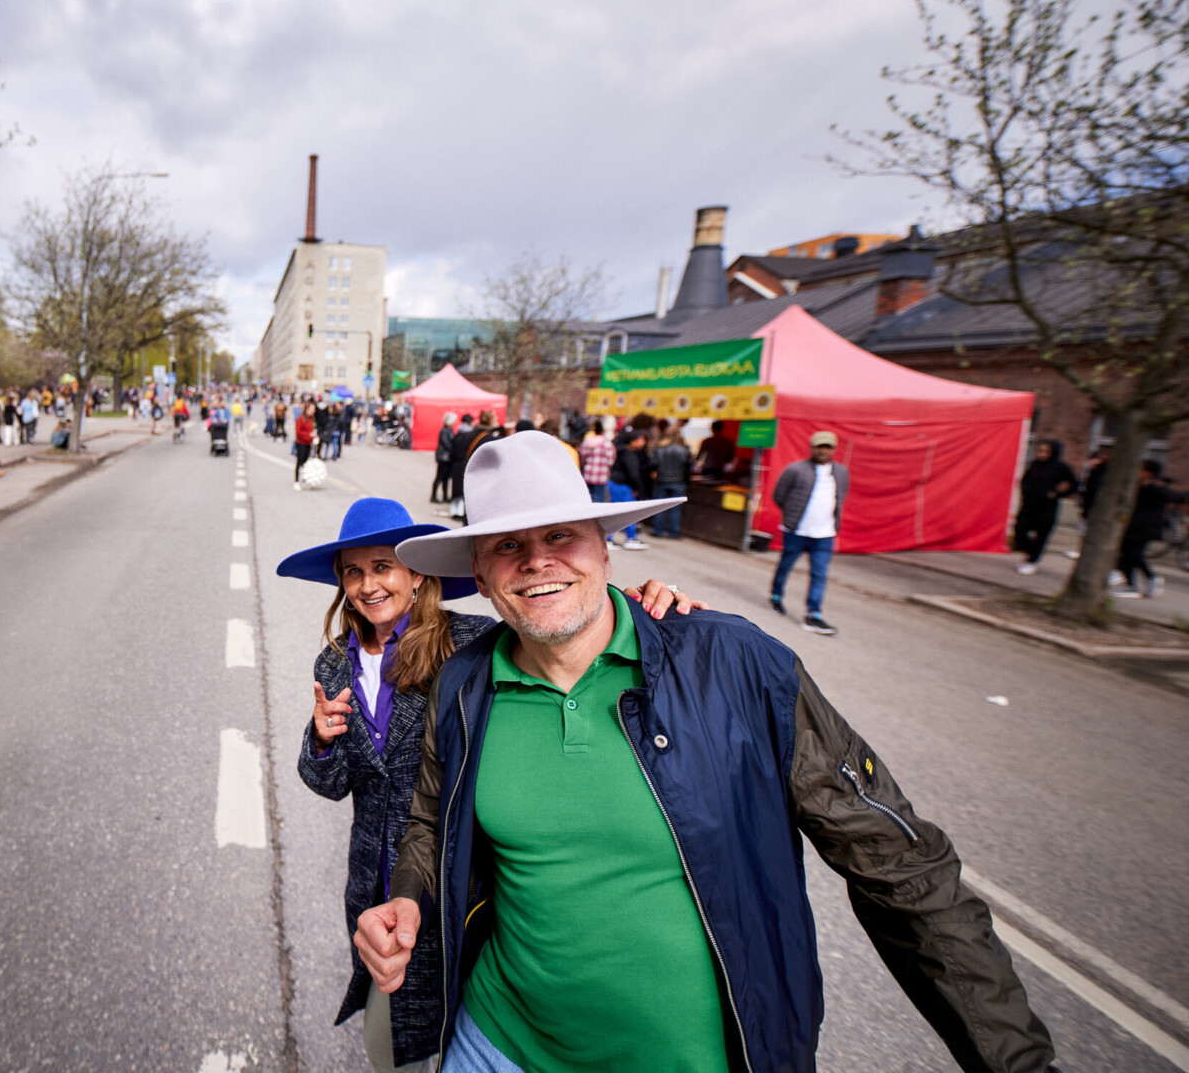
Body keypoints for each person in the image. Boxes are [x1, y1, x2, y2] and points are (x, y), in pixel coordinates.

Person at [354, 431, 1056, 1073]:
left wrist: (1014, 1063)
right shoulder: (466, 682)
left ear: (604, 547)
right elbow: (429, 818)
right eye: (507, 544)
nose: (537, 560)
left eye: (562, 535)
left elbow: (902, 870)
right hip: (497, 1046)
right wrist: (411, 899)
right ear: (479, 573)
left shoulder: (736, 667)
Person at [278, 496, 702, 1073]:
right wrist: (322, 740)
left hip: (462, 886)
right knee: (393, 1040)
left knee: (459, 1021)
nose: (367, 585)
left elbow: (560, 624)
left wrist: (640, 600)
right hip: (377, 886)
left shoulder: (472, 644)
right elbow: (329, 786)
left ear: (416, 572)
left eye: (382, 567)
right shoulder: (333, 663)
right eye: (353, 571)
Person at [771, 430, 848, 636]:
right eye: (819, 446)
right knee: (785, 565)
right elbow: (779, 495)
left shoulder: (840, 472)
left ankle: (813, 614)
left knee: (819, 574)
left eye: (828, 447)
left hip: (824, 534)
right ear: (812, 447)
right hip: (797, 530)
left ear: (834, 449)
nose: (823, 450)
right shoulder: (795, 470)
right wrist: (791, 516)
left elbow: (841, 497)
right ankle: (776, 596)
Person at [1113, 460, 1188, 598]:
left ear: (1148, 472)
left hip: (1145, 527)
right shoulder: (1138, 485)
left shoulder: (1154, 487)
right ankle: (1130, 584)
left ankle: (1150, 580)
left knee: (1134, 555)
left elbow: (1175, 496)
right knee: (1126, 554)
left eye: (1140, 469)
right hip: (1133, 526)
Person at [1013, 440, 1077, 574]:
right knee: (1020, 528)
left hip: (1047, 506)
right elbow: (1026, 480)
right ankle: (1028, 551)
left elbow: (1073, 484)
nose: (1042, 454)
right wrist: (1026, 493)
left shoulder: (1061, 467)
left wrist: (1057, 493)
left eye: (1046, 452)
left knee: (1041, 534)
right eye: (1040, 451)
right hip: (1030, 504)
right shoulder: (1035, 465)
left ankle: (1031, 561)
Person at [605, 429, 651, 550]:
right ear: (632, 441)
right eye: (641, 440)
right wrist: (637, 487)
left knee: (618, 511)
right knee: (627, 512)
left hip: (615, 483)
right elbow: (633, 474)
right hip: (622, 485)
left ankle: (613, 538)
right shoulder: (630, 454)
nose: (643, 442)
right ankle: (628, 538)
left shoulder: (621, 452)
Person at [650, 422, 692, 539]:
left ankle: (657, 530)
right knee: (676, 508)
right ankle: (673, 532)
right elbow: (688, 467)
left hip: (662, 480)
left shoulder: (660, 448)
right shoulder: (684, 449)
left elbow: (653, 464)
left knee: (660, 506)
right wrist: (686, 481)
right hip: (678, 482)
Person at [576, 418, 613, 504]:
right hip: (601, 476)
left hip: (588, 474)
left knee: (588, 498)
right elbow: (610, 461)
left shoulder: (587, 442)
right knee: (599, 499)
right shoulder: (607, 444)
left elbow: (582, 458)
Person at [432, 414, 457, 506]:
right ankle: (433, 496)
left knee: (446, 478)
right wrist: (454, 449)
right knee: (439, 477)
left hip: (447, 457)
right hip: (443, 457)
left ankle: (445, 496)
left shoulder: (449, 430)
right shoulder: (444, 431)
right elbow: (446, 443)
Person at [294, 404, 317, 488]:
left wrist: (314, 435)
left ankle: (304, 479)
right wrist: (309, 435)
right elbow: (298, 432)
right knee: (299, 462)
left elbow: (313, 429)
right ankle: (296, 481)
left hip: (309, 443)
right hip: (301, 443)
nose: (313, 411)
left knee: (306, 463)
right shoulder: (301, 419)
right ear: (307, 409)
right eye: (312, 409)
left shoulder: (312, 419)